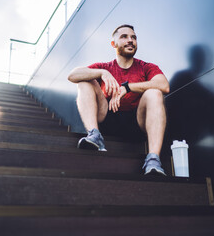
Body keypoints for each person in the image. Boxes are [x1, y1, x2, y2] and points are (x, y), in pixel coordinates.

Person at [68, 24, 170, 175]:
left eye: (133, 37)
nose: (130, 40)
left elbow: (164, 85)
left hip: (136, 122)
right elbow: (73, 75)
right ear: (113, 44)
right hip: (107, 117)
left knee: (155, 93)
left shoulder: (146, 67)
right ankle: (94, 135)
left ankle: (153, 159)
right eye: (124, 37)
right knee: (85, 80)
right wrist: (102, 73)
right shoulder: (105, 66)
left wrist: (128, 88)